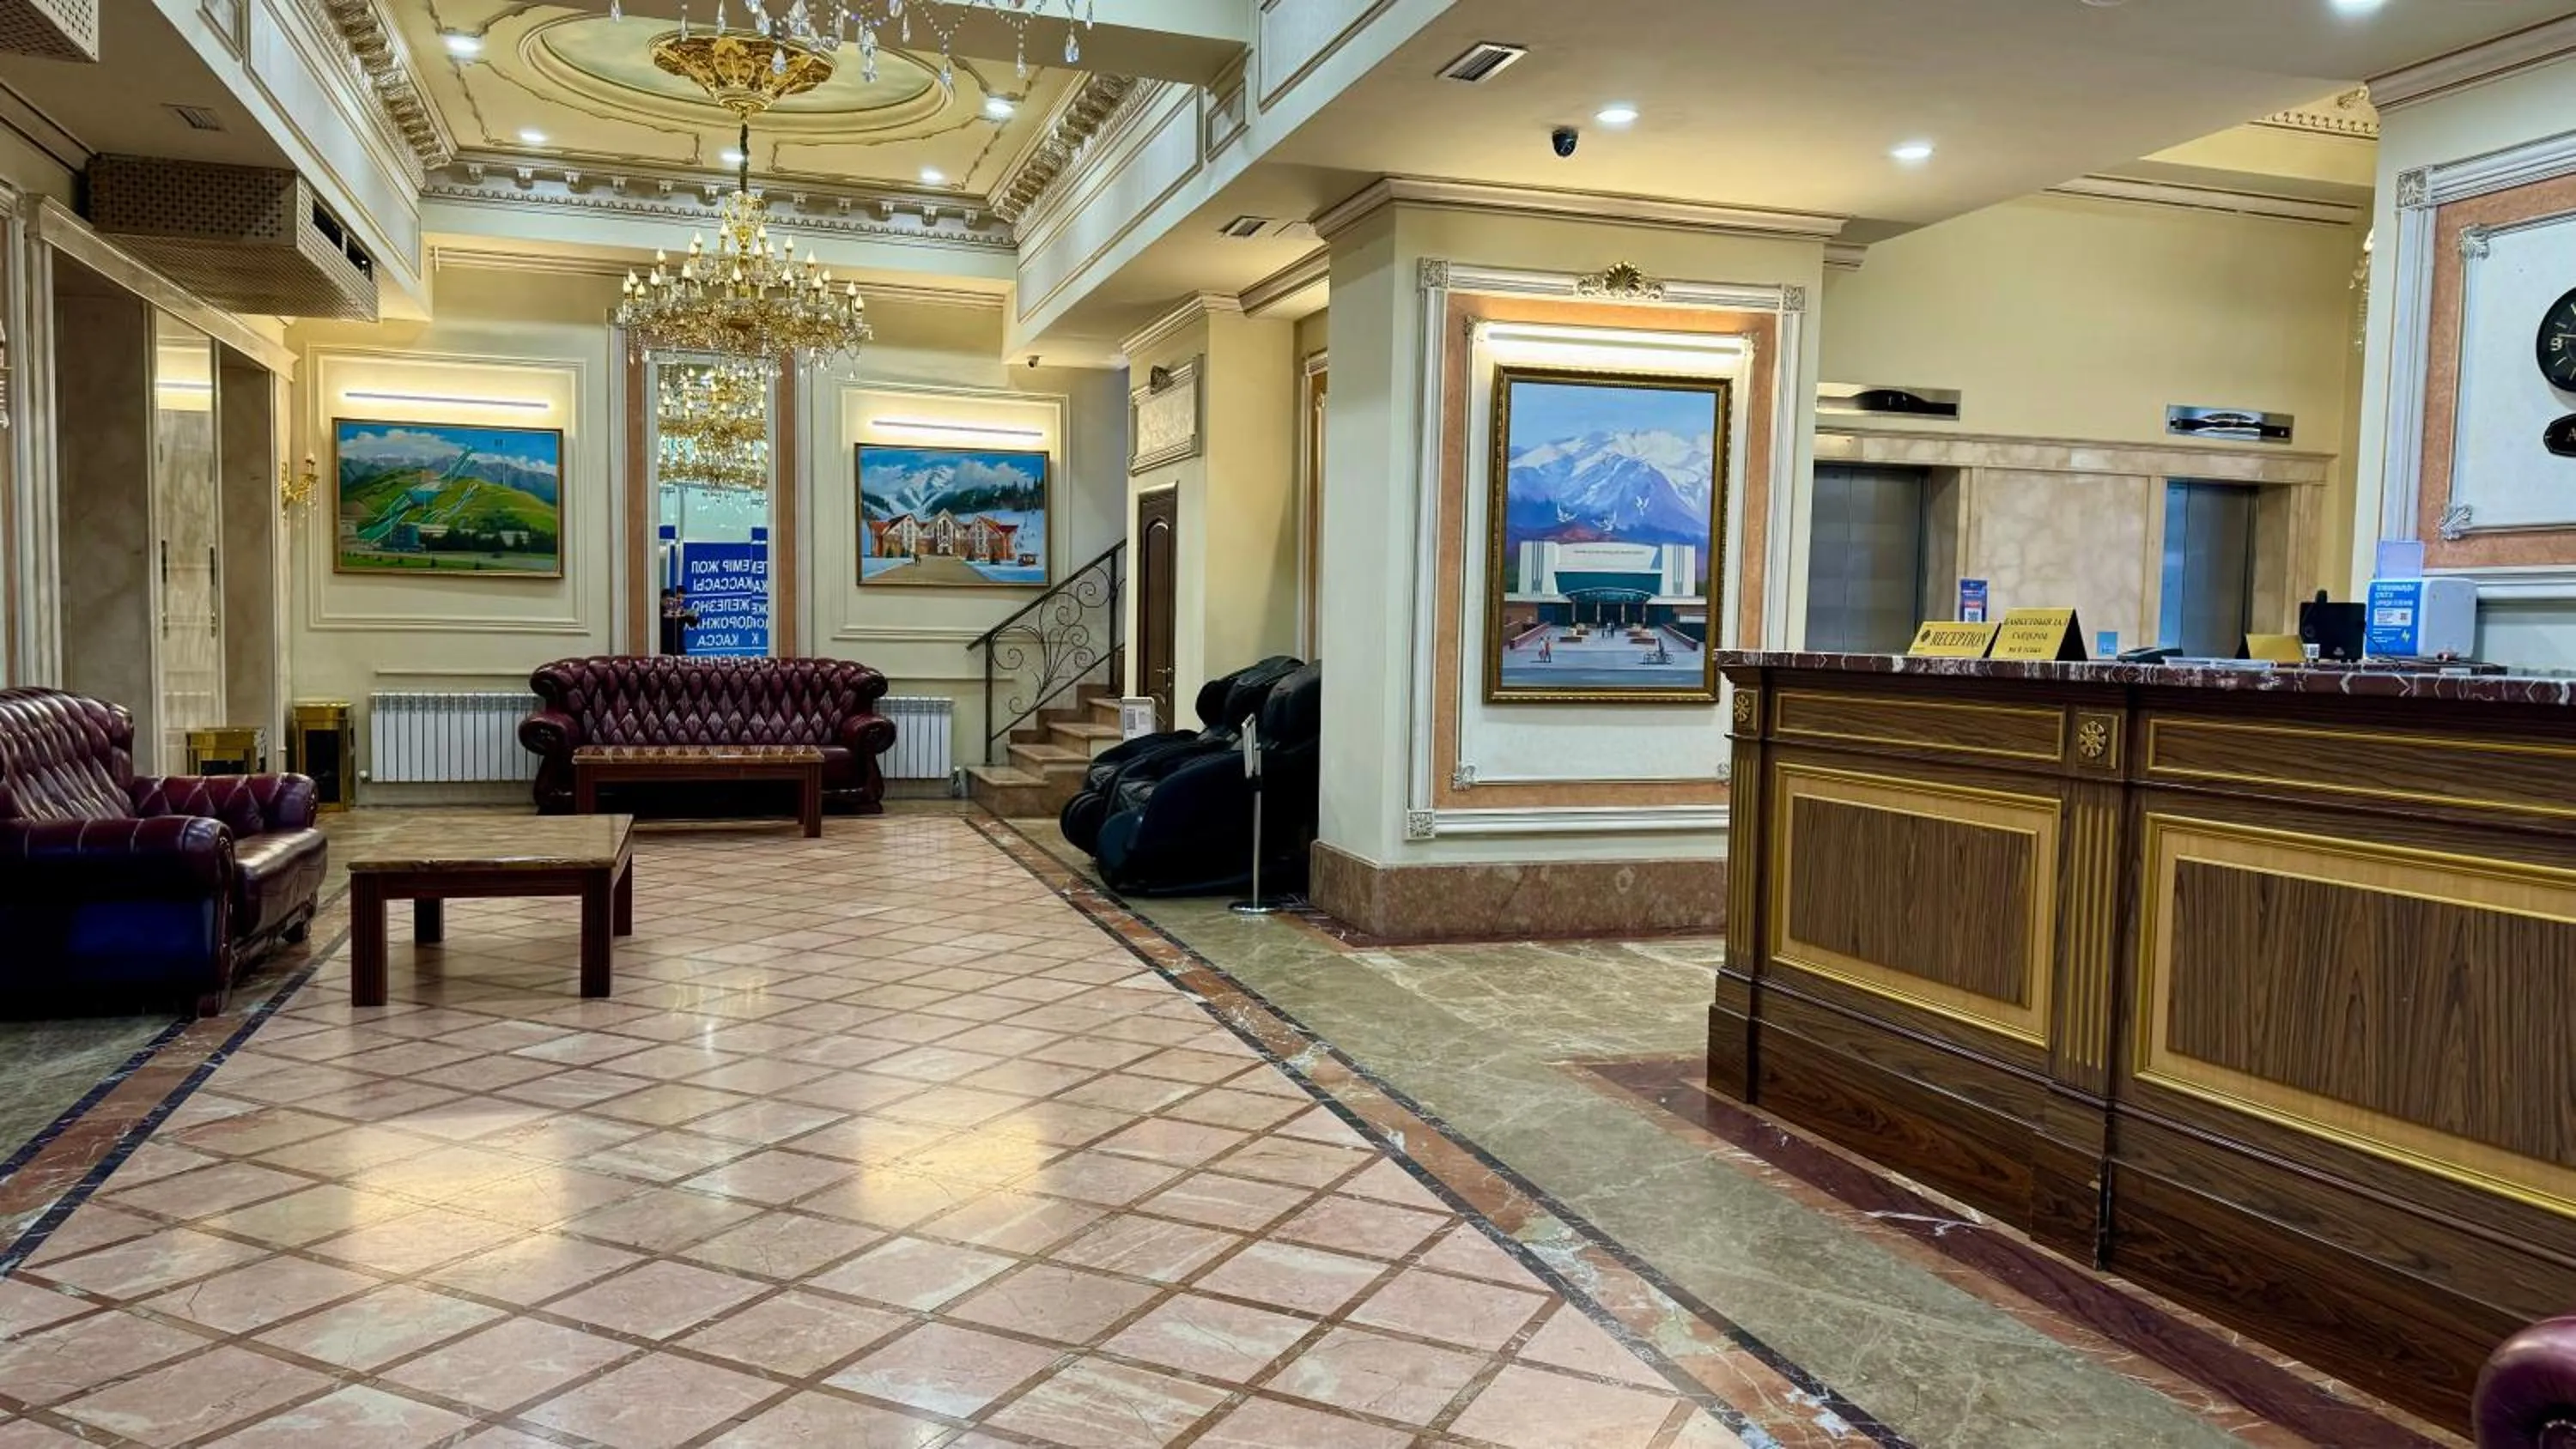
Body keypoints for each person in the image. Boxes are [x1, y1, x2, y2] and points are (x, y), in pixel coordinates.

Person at [659, 585, 699, 657]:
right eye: (678, 598)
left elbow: (693, 623)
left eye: (683, 598)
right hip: (665, 648)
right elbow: (665, 616)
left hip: (679, 648)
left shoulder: (682, 609)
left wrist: (695, 616)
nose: (680, 601)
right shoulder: (661, 610)